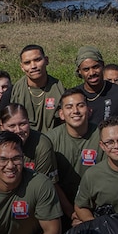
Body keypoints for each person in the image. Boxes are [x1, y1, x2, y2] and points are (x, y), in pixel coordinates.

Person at [44, 87, 102, 224]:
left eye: (80, 106)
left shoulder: (102, 135)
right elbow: (51, 182)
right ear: (61, 114)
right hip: (60, 207)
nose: (75, 111)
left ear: (89, 111)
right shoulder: (49, 140)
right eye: (69, 107)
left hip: (96, 205)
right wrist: (72, 213)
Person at [75, 46, 118, 155]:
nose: (92, 73)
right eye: (86, 69)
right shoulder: (75, 95)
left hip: (114, 155)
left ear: (103, 66)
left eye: (95, 67)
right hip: (84, 154)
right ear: (79, 72)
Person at [9, 44, 66, 133]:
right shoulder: (13, 92)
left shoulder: (60, 90)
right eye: (27, 63)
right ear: (22, 67)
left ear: (46, 60)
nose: (33, 66)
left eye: (37, 60)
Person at [0, 103, 58, 182]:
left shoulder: (41, 144)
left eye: (22, 124)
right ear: (2, 126)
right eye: (12, 126)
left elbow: (42, 183)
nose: (18, 130)